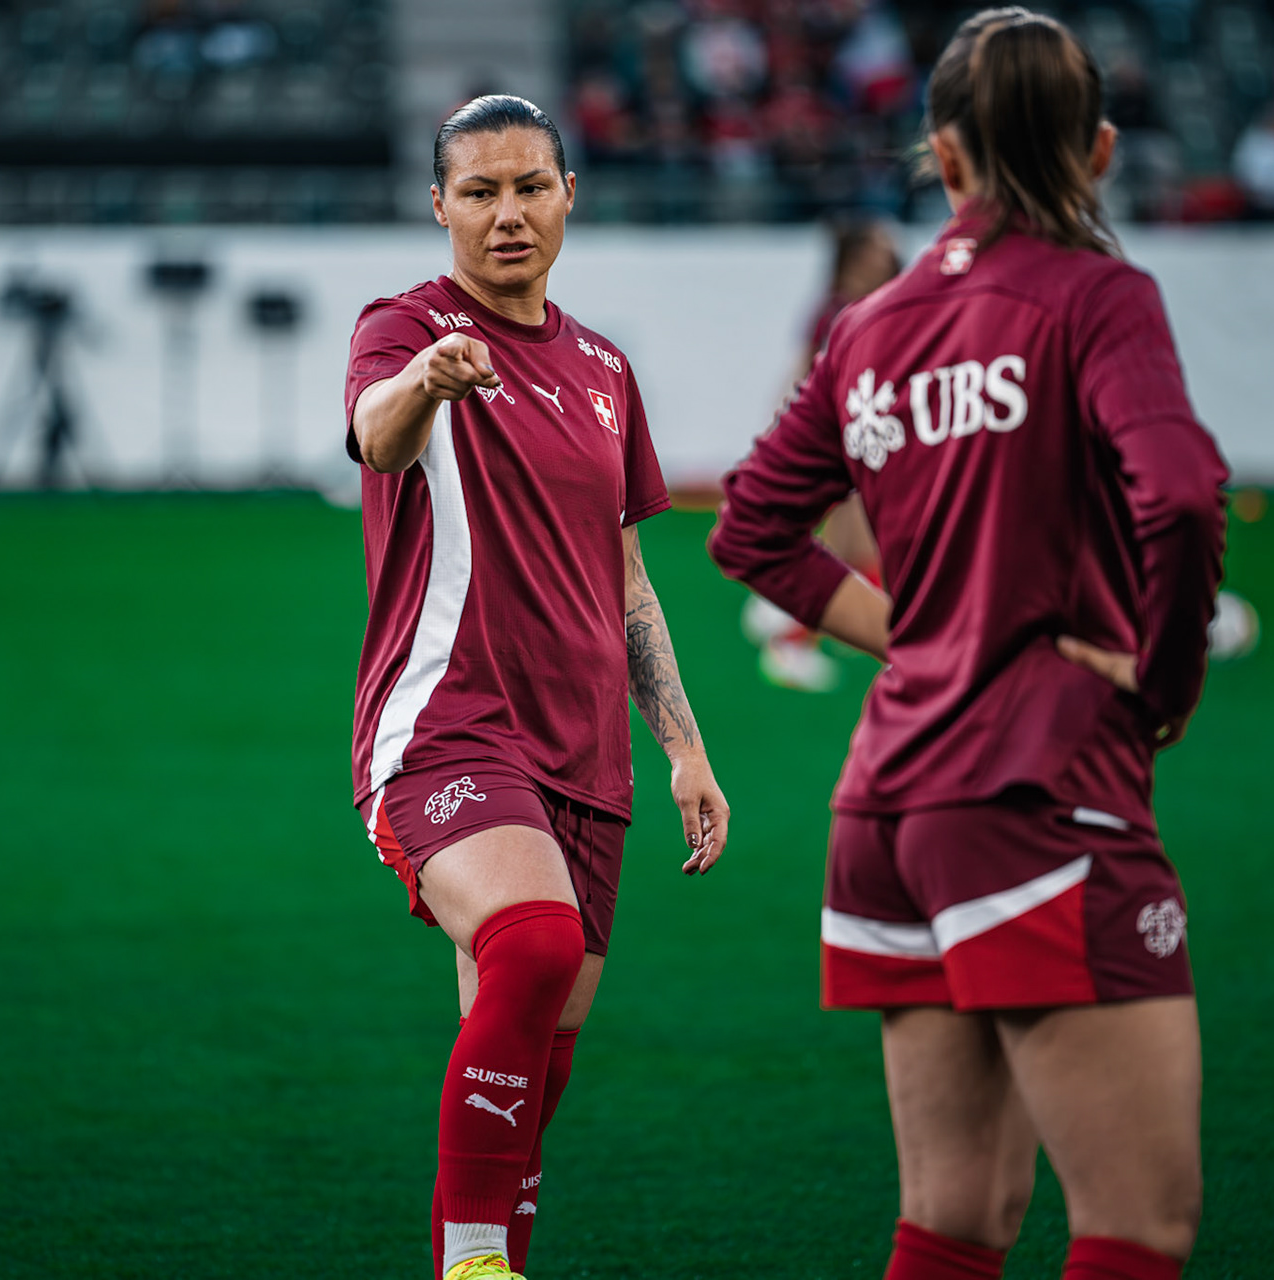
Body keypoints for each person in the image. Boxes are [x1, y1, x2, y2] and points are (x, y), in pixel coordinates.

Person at [709, 10, 1227, 1280]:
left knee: (955, 1219)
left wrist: (924, 641)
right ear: (1100, 152)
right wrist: (1159, 681)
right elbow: (1181, 493)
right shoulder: (1101, 298)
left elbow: (751, 528)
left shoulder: (868, 325)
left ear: (942, 159)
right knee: (1136, 1226)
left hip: (885, 810)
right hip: (1036, 793)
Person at [344, 95, 730, 1280]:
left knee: (538, 1054)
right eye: (479, 191)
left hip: (589, 754)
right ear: (440, 207)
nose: (506, 213)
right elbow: (375, 436)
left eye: (528, 186)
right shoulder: (405, 327)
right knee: (532, 942)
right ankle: (470, 1263)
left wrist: (686, 746)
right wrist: (428, 380)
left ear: (570, 195)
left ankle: (492, 1251)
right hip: (450, 725)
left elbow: (628, 580)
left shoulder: (607, 368)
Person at [744, 218, 900, 693]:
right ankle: (794, 630)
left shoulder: (856, 306)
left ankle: (803, 625)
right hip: (850, 436)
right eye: (879, 246)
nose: (890, 255)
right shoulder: (845, 310)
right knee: (858, 544)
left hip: (861, 434)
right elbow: (808, 373)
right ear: (857, 256)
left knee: (863, 545)